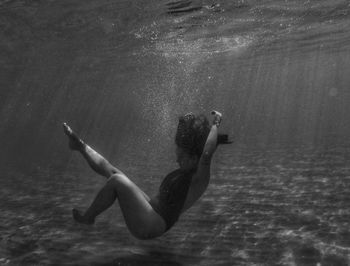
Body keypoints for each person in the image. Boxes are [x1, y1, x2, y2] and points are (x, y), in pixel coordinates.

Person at [63, 111, 231, 240]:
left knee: (117, 181)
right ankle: (80, 146)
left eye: (181, 157)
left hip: (151, 225)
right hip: (151, 211)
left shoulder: (199, 178)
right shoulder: (190, 169)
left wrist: (216, 123)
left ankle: (88, 219)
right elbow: (205, 149)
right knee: (114, 172)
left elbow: (207, 152)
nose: (176, 159)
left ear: (195, 158)